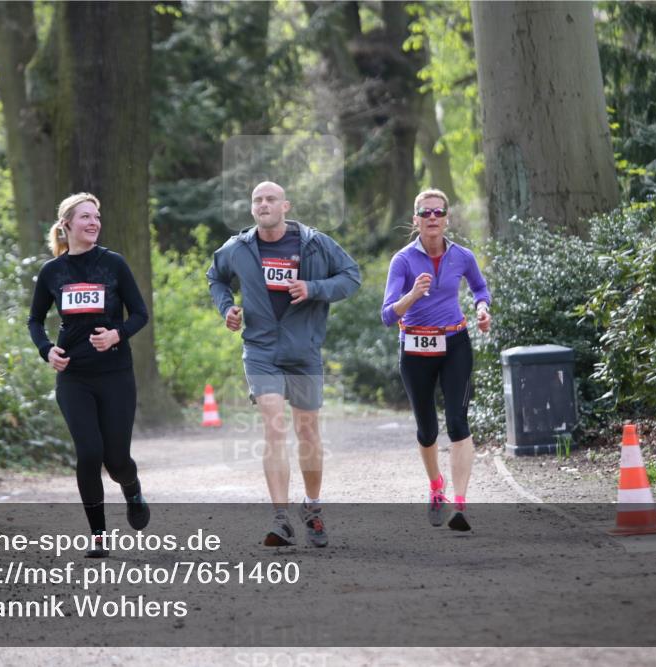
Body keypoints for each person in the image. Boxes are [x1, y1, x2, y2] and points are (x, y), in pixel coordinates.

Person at [208, 181, 361, 547]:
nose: (263, 204)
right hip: (260, 350)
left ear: (285, 206)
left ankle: (312, 507)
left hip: (304, 350)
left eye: (270, 199)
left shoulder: (314, 243)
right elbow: (215, 277)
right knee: (274, 430)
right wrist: (226, 308)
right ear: (252, 209)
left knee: (307, 432)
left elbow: (351, 276)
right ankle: (280, 518)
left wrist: (313, 288)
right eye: (257, 199)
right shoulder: (238, 248)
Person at [27, 192, 150, 558]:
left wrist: (117, 334)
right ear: (67, 225)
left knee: (116, 461)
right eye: (85, 217)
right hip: (74, 376)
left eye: (96, 217)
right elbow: (34, 319)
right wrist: (47, 349)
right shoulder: (53, 271)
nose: (93, 223)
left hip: (115, 374)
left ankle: (132, 488)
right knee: (89, 452)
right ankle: (98, 537)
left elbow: (140, 313)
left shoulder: (113, 264)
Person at [380, 189, 491, 531]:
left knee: (458, 422)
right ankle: (435, 486)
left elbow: (479, 288)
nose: (432, 218)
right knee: (427, 429)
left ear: (447, 218)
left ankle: (460, 504)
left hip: (455, 342)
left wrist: (482, 309)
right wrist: (412, 294)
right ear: (415, 220)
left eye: (437, 212)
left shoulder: (463, 256)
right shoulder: (402, 261)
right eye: (425, 213)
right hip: (415, 348)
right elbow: (387, 314)